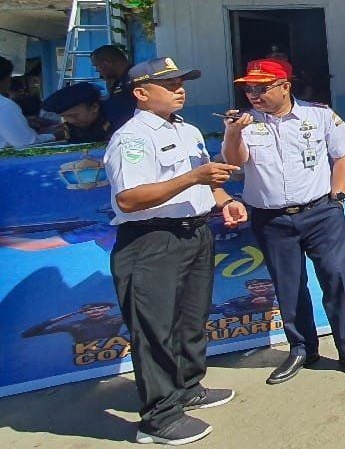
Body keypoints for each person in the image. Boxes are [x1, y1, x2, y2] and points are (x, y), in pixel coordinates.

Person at [103, 56, 246, 445]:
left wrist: (222, 199)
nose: (179, 89)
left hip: (194, 234)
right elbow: (130, 199)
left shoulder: (188, 130)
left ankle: (186, 387)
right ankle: (159, 418)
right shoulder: (131, 138)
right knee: (155, 330)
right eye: (169, 84)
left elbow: (206, 178)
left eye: (182, 82)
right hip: (152, 241)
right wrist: (194, 178)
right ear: (141, 93)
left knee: (190, 319)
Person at [220, 58, 345, 385]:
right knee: (289, 285)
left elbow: (342, 157)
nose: (254, 94)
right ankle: (302, 348)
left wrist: (337, 198)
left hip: (321, 213)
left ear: (285, 87)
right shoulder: (244, 123)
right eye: (249, 88)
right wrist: (234, 133)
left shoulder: (319, 115)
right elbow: (235, 162)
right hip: (271, 218)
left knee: (338, 279)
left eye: (262, 88)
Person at [0, 56, 58, 149]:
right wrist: (55, 135)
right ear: (5, 79)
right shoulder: (5, 105)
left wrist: (24, 122)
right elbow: (26, 144)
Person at [43, 82, 117, 143]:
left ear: (94, 107)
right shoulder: (72, 126)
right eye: (64, 116)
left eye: (74, 115)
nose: (70, 121)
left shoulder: (116, 120)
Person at [21, 302, 126, 344]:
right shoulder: (74, 325)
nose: (95, 311)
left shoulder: (117, 319)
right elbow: (27, 334)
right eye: (90, 309)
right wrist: (62, 318)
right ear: (83, 312)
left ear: (108, 308)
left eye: (101, 308)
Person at [90, 44, 136, 128]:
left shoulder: (134, 79)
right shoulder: (116, 81)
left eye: (97, 66)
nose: (97, 70)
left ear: (108, 62)